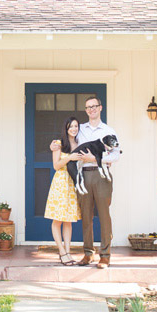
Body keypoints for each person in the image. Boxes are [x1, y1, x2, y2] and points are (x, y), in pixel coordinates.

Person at [50, 96, 119, 269]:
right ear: (86, 110)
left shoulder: (108, 131)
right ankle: (88, 253)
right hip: (83, 176)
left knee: (104, 215)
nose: (91, 109)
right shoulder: (79, 129)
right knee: (86, 216)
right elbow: (67, 139)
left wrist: (94, 159)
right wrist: (54, 146)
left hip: (101, 177)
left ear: (100, 108)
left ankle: (105, 256)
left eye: (94, 106)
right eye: (88, 107)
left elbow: (115, 155)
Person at [44, 117, 82, 265]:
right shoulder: (58, 144)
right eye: (71, 126)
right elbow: (56, 165)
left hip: (72, 183)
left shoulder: (79, 144)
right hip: (60, 183)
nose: (74, 129)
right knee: (57, 219)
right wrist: (70, 157)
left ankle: (68, 252)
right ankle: (61, 251)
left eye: (76, 126)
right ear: (66, 128)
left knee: (68, 220)